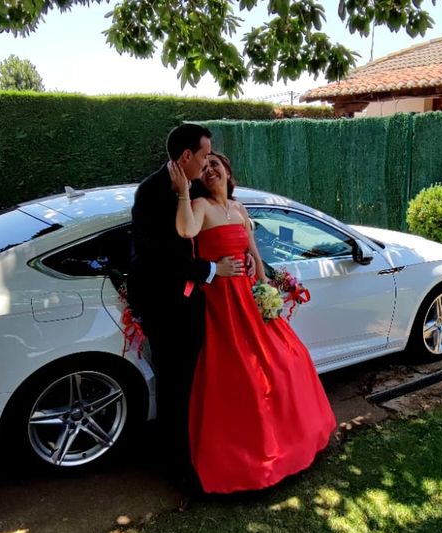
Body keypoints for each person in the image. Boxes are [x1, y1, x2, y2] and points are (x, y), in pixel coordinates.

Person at [174, 152, 337, 494]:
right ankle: (244, 463)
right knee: (240, 377)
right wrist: (183, 192)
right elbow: (185, 229)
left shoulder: (239, 209)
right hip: (223, 304)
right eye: (203, 169)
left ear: (228, 169)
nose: (209, 171)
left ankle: (292, 443)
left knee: (288, 362)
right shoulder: (200, 205)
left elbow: (255, 254)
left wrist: (264, 290)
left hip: (249, 297)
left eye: (214, 165)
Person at [128, 124, 245, 491]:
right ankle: (178, 470)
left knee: (194, 386)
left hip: (196, 305)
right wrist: (212, 269)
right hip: (165, 307)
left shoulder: (192, 187)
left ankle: (200, 453)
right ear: (186, 157)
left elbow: (220, 214)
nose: (207, 163)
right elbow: (157, 255)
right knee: (174, 389)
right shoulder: (149, 193)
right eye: (204, 155)